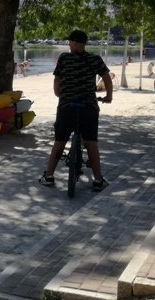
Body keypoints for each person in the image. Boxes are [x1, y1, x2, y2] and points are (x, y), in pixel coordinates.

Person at [40, 30, 113, 192]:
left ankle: (49, 176)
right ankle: (98, 180)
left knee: (60, 140)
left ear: (73, 43)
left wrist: (59, 94)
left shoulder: (64, 58)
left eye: (69, 42)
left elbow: (57, 79)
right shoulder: (94, 59)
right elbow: (106, 77)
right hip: (89, 106)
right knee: (91, 142)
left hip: (67, 106)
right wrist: (109, 95)